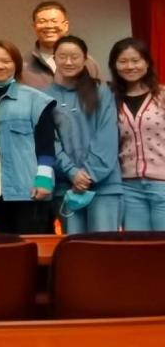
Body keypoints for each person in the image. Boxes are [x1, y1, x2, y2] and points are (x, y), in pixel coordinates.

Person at [0, 41, 59, 234]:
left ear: (16, 64)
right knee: (4, 247)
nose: (0, 66)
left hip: (28, 189)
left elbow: (46, 143)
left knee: (34, 245)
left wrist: (43, 179)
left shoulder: (35, 99)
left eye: (6, 61)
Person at [48, 35, 121, 233]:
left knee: (104, 245)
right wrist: (72, 172)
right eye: (62, 56)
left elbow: (107, 135)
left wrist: (89, 174)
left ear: (85, 59)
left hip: (104, 185)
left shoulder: (102, 91)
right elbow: (50, 142)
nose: (68, 62)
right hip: (67, 186)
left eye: (74, 57)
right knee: (74, 246)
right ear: (54, 59)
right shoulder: (44, 96)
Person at [110, 37, 165, 230]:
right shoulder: (110, 100)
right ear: (114, 66)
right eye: (123, 61)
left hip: (163, 184)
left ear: (147, 63)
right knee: (138, 243)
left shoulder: (162, 96)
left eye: (136, 60)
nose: (130, 66)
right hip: (129, 187)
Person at [22, 1, 99, 90]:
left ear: (66, 26)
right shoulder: (22, 64)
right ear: (34, 27)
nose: (49, 26)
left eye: (54, 21)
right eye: (42, 21)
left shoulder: (88, 63)